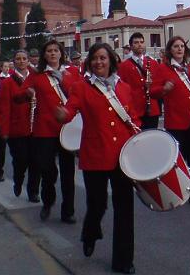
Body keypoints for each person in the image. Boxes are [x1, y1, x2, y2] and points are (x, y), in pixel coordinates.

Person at [56, 43, 137, 273]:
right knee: (97, 204)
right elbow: (70, 110)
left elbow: (133, 118)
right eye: (94, 59)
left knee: (124, 209)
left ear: (111, 60)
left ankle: (123, 261)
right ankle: (90, 231)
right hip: (95, 155)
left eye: (103, 58)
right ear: (89, 63)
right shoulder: (82, 88)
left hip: (123, 157)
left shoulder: (125, 88)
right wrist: (63, 114)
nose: (98, 62)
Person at [21, 40, 80, 223]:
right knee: (47, 171)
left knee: (68, 172)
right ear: (44, 55)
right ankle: (48, 202)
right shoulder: (37, 75)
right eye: (49, 51)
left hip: (67, 128)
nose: (53, 53)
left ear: (61, 53)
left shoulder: (72, 73)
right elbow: (20, 94)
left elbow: (79, 95)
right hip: (45, 129)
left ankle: (68, 211)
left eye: (56, 50)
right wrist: (27, 93)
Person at [152, 36, 190, 206]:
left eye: (182, 46)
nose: (179, 49)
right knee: (179, 160)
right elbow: (154, 91)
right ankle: (179, 191)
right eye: (176, 46)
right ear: (170, 50)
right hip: (176, 120)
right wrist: (164, 89)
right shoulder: (164, 69)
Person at [0, 50, 40, 201]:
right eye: (18, 59)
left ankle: (33, 191)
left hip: (35, 127)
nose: (22, 61)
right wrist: (4, 130)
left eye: (24, 58)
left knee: (36, 161)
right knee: (20, 160)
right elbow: (4, 108)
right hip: (17, 127)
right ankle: (18, 180)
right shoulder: (8, 82)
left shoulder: (36, 78)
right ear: (14, 62)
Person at [117, 32, 161, 130]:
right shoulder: (124, 66)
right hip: (135, 109)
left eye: (141, 42)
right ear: (131, 46)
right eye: (136, 42)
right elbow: (121, 89)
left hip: (152, 109)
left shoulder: (153, 63)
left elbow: (159, 84)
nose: (139, 44)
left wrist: (152, 85)